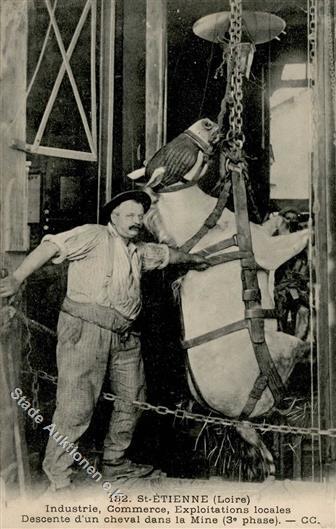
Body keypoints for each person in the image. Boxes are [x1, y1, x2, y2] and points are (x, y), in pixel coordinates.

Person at [0, 190, 209, 491]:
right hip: (86, 330)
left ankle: (114, 462)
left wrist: (198, 259)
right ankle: (58, 474)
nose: (136, 221)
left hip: (125, 336)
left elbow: (169, 256)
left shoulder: (139, 250)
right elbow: (50, 246)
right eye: (129, 215)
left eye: (140, 216)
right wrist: (17, 277)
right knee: (76, 404)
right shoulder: (92, 235)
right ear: (114, 217)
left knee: (132, 399)